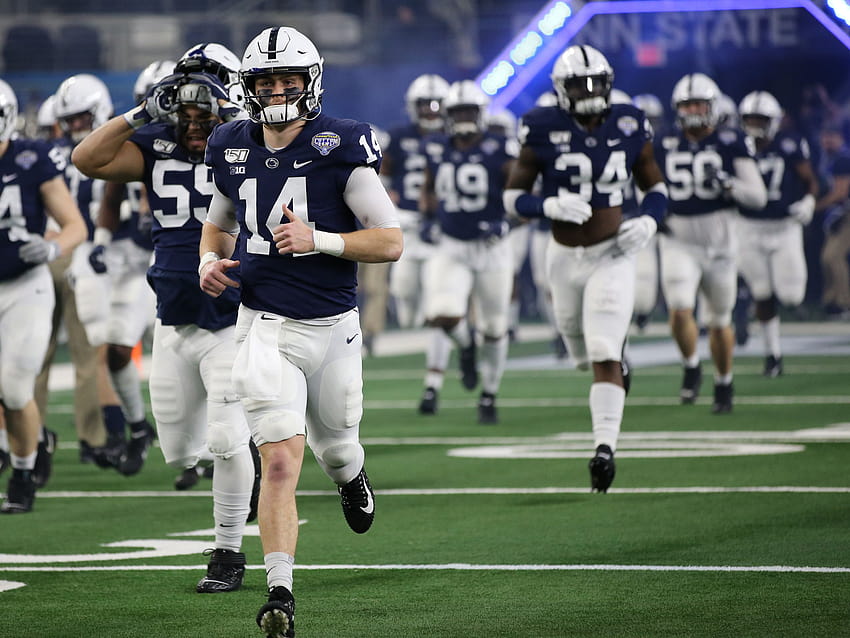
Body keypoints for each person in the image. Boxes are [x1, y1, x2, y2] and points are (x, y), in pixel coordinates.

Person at [197, 26, 402, 637]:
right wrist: (209, 262)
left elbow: (390, 241)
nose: (278, 90)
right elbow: (219, 225)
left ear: (310, 82)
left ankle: (351, 476)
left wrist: (323, 239)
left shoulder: (341, 143)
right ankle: (280, 591)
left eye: (288, 79)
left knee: (337, 449)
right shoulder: (230, 142)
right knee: (279, 462)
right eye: (266, 81)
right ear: (248, 87)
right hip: (263, 323)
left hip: (333, 325)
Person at [71, 69, 257, 592]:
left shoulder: (242, 147)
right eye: (186, 116)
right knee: (181, 450)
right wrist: (140, 114)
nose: (194, 127)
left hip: (229, 315)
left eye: (204, 116)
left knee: (225, 440)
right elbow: (86, 159)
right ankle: (247, 463)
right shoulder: (156, 145)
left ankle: (227, 555)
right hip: (173, 319)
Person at [503, 44, 668, 492]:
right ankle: (617, 362)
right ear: (561, 90)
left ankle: (604, 448)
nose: (589, 91)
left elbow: (655, 184)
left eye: (596, 82)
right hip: (561, 255)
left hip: (612, 253)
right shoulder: (540, 126)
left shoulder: (630, 121)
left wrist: (650, 219)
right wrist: (546, 203)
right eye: (579, 84)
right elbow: (512, 198)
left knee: (601, 349)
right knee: (581, 354)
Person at [654, 73, 767, 413]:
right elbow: (647, 185)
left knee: (719, 321)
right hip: (678, 240)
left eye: (698, 103)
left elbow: (758, 197)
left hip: (720, 243)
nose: (692, 110)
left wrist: (728, 184)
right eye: (686, 104)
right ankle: (691, 365)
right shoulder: (663, 142)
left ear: (712, 106)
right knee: (678, 309)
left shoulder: (732, 141)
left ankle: (723, 382)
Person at [0, 78, 87, 512]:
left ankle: (23, 469)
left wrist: (53, 246)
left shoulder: (30, 159)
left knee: (15, 388)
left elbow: (75, 225)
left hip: (24, 285)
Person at [86, 62, 174, 476]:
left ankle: (214, 446)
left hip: (197, 257)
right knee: (119, 349)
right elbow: (109, 192)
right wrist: (102, 242)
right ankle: (140, 427)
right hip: (143, 258)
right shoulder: (141, 140)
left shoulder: (217, 137)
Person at [418, 79, 517, 424]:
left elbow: (518, 194)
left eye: (468, 111)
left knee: (494, 326)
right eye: (457, 112)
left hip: (492, 248)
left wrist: (507, 221)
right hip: (452, 244)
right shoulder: (436, 147)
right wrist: (428, 217)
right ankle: (466, 347)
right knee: (442, 312)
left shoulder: (501, 147)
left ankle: (489, 394)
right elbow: (428, 189)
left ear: (481, 114)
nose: (462, 118)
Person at [35, 74, 117, 468]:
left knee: (51, 352)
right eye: (72, 121)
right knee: (70, 352)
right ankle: (87, 437)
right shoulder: (100, 152)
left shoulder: (48, 154)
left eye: (82, 119)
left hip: (57, 252)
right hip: (76, 253)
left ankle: (38, 436)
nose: (76, 127)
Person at [737, 90, 819, 376]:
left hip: (784, 227)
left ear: (774, 120)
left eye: (761, 119)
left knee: (792, 296)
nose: (755, 125)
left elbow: (810, 179)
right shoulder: (734, 145)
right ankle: (772, 355)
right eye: (750, 119)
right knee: (763, 293)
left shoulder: (790, 143)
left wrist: (809, 201)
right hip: (748, 226)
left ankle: (745, 296)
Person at [814, 121, 850, 318]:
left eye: (831, 138)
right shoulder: (830, 158)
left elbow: (840, 193)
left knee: (833, 257)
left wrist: (814, 207)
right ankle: (831, 302)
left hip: (846, 213)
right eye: (824, 138)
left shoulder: (843, 159)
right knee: (827, 257)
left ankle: (843, 302)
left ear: (840, 138)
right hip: (837, 215)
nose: (827, 142)